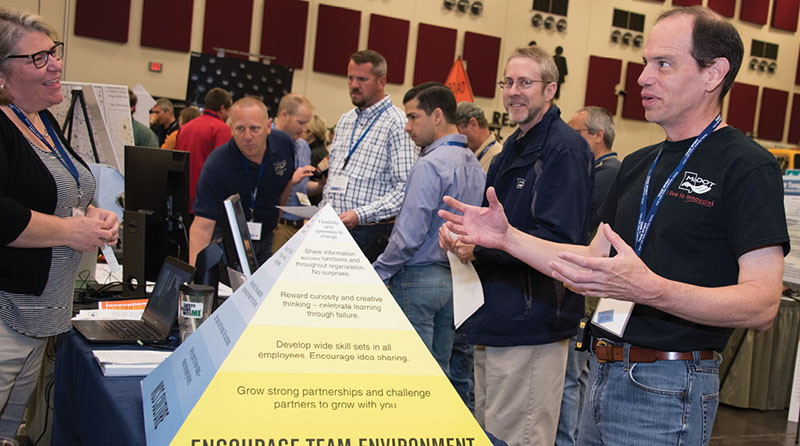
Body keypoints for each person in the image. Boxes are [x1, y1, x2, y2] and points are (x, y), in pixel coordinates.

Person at [440, 7, 789, 445]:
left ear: (713, 73)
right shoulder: (640, 163)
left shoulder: (748, 166)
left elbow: (761, 303)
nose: (641, 77)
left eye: (663, 64)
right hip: (603, 372)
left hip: (669, 383)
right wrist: (507, 238)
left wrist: (651, 289)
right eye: (645, 62)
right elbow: (591, 261)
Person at [442, 46, 593, 446]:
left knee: (520, 436)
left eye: (525, 82)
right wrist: (464, 236)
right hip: (495, 315)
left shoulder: (564, 149)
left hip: (533, 321)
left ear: (550, 89)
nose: (513, 91)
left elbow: (561, 245)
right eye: (507, 82)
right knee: (491, 433)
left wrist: (483, 247)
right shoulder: (513, 147)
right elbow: (496, 225)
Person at [0, 7, 119, 440]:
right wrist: (72, 232)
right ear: (2, 74)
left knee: (10, 431)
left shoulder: (42, 120)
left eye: (53, 52)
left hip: (39, 317)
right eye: (38, 58)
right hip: (7, 311)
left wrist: (91, 216)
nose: (55, 64)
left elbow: (58, 193)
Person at [372, 82, 485, 375]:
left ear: (436, 116)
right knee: (439, 373)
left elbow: (408, 235)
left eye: (413, 117)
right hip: (454, 281)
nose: (407, 127)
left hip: (418, 279)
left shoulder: (429, 165)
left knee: (414, 377)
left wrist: (379, 270)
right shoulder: (475, 164)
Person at [556, 105, 619, 446]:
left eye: (576, 131)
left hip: (591, 285)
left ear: (598, 135)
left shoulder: (606, 174)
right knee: (577, 373)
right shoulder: (604, 170)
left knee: (573, 372)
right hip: (592, 283)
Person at [188, 97, 314, 266]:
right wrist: (197, 277)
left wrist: (275, 221)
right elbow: (202, 227)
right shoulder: (217, 164)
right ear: (231, 129)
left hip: (266, 237)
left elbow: (285, 185)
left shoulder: (284, 145)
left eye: (255, 128)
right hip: (228, 243)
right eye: (240, 129)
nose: (248, 136)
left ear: (268, 127)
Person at [321, 50, 417, 259]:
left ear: (382, 81)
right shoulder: (346, 120)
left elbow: (405, 189)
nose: (354, 85)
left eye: (362, 79)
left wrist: (360, 214)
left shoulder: (398, 124)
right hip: (331, 230)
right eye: (350, 78)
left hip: (369, 233)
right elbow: (334, 178)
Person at [450, 100, 502, 412]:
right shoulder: (478, 157)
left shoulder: (493, 157)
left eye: (459, 132)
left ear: (471, 124)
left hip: (486, 258)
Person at [271, 93, 323, 253]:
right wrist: (290, 180)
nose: (304, 129)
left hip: (299, 227)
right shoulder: (266, 142)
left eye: (306, 123)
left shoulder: (303, 147)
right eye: (300, 122)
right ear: (284, 115)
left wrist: (321, 184)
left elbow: (303, 188)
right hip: (277, 226)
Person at [173, 87, 233, 212]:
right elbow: (222, 168)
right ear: (223, 108)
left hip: (181, 197)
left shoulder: (185, 128)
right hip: (206, 201)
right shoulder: (222, 130)